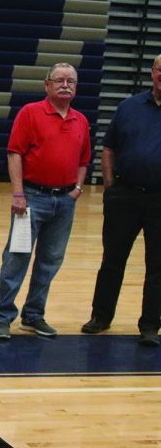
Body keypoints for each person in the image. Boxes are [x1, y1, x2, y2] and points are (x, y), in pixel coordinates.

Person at [0, 63, 90, 340]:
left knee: (50, 261)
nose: (65, 85)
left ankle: (33, 316)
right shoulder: (30, 113)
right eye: (59, 80)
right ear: (47, 85)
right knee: (16, 259)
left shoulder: (80, 120)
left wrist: (78, 188)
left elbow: (84, 160)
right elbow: (14, 153)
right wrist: (19, 193)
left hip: (65, 202)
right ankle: (3, 316)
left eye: (71, 81)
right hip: (32, 199)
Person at [82, 54, 161, 346]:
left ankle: (151, 325)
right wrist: (110, 186)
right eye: (160, 70)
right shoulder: (129, 107)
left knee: (158, 267)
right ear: (153, 72)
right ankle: (101, 317)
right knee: (112, 260)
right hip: (124, 195)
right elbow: (108, 147)